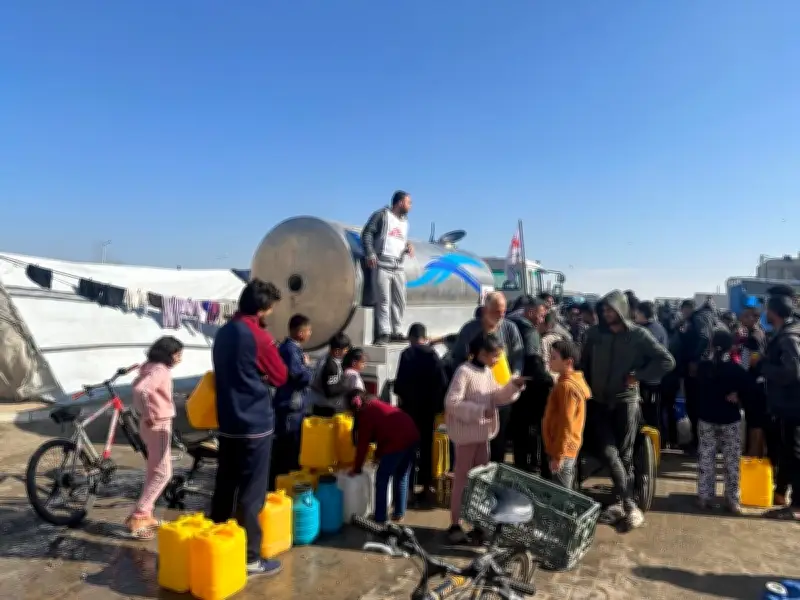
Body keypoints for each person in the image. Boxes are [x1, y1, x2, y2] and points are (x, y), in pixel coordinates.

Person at [211, 279, 288, 576]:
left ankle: (217, 541)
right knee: (252, 492)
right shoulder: (258, 336)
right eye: (270, 309)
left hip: (227, 420)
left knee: (225, 485)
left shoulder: (224, 332)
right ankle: (251, 557)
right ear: (262, 309)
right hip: (254, 423)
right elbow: (280, 376)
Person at [581, 290, 675, 530]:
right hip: (598, 403)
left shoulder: (638, 335)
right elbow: (583, 365)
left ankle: (621, 502)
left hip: (626, 402)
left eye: (611, 310)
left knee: (624, 455)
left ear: (621, 310)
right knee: (608, 451)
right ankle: (626, 500)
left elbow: (667, 361)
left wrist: (638, 376)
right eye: (604, 310)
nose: (606, 314)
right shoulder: (594, 334)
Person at [445, 332, 527, 543]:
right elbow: (452, 403)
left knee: (481, 482)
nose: (498, 359)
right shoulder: (464, 372)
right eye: (495, 355)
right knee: (462, 481)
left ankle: (478, 524)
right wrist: (480, 411)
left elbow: (497, 396)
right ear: (482, 353)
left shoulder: (487, 372)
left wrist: (513, 386)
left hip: (482, 436)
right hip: (465, 437)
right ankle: (455, 524)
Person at [449, 292, 524, 464]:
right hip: (476, 397)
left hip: (502, 395)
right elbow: (457, 358)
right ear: (485, 310)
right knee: (475, 444)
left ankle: (494, 477)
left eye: (503, 311)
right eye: (497, 311)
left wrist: (516, 374)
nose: (501, 316)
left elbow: (519, 357)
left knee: (498, 443)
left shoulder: (510, 328)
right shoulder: (470, 329)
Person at [126, 336, 184, 539]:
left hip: (152, 423)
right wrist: (150, 414)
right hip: (158, 424)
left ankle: (146, 514)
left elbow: (139, 387)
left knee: (154, 471)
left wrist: (146, 412)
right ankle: (139, 515)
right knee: (163, 473)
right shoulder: (160, 370)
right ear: (168, 354)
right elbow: (141, 390)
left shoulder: (150, 366)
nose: (179, 358)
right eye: (178, 354)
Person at [695, 329, 751, 513]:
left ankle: (705, 497)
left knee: (706, 458)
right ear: (731, 346)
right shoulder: (736, 370)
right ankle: (732, 500)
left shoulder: (703, 367)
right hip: (730, 420)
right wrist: (738, 395)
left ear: (711, 344)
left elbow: (694, 390)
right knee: (731, 461)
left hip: (706, 418)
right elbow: (751, 391)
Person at [393, 323, 448, 506]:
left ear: (410, 338)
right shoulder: (433, 355)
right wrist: (438, 407)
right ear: (425, 337)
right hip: (428, 412)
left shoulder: (406, 355)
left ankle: (406, 490)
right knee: (426, 450)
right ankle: (426, 488)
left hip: (409, 411)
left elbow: (398, 385)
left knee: (408, 450)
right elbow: (442, 383)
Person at [348, 390, 420, 524]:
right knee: (402, 475)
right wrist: (378, 455)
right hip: (412, 434)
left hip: (398, 441)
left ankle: (380, 517)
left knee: (382, 478)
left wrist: (356, 469)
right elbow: (385, 432)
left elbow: (362, 446)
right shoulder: (377, 404)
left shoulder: (366, 414)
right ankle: (399, 513)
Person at [761, 289, 800, 521]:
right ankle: (782, 494)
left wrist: (765, 366)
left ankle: (797, 506)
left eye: (767, 309)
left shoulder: (788, 337)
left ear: (774, 312)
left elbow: (792, 371)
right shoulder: (792, 331)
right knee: (788, 450)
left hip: (794, 405)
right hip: (790, 405)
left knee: (795, 453)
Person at [506, 297, 553, 473]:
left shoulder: (507, 324)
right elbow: (534, 361)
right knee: (530, 430)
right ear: (531, 312)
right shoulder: (529, 331)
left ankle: (518, 468)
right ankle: (530, 468)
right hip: (528, 388)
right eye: (541, 315)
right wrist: (548, 380)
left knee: (516, 433)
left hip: (507, 385)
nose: (542, 320)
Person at [361, 190, 414, 345]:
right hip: (382, 263)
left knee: (400, 300)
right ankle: (384, 332)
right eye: (408, 202)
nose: (410, 206)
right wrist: (370, 253)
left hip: (398, 265)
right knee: (383, 300)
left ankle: (396, 330)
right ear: (399, 202)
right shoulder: (382, 216)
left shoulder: (405, 222)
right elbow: (367, 233)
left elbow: (399, 240)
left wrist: (407, 246)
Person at [271, 314, 314, 491]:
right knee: (288, 448)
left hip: (292, 405)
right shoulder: (290, 350)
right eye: (309, 330)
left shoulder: (292, 349)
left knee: (290, 446)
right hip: (290, 405)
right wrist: (308, 368)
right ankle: (282, 485)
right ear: (300, 332)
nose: (310, 334)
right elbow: (299, 376)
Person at [542, 339, 590, 489]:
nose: (550, 361)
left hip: (563, 450)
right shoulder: (568, 383)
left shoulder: (566, 387)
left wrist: (558, 455)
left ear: (568, 362)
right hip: (564, 448)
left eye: (554, 358)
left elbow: (566, 424)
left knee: (561, 497)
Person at [634, 300, 671, 429]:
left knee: (651, 415)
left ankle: (653, 444)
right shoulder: (658, 327)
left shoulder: (649, 331)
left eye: (637, 312)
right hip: (654, 378)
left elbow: (647, 355)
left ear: (642, 313)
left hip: (650, 380)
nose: (635, 315)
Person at [739, 304, 769, 457]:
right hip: (758, 384)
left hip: (754, 385)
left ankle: (753, 453)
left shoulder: (753, 338)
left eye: (745, 316)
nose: (741, 318)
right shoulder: (761, 334)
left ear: (755, 318)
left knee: (755, 421)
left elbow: (752, 361)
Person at [308, 333, 351, 417]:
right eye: (345, 349)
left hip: (319, 404)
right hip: (325, 407)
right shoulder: (330, 365)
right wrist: (345, 384)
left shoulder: (326, 358)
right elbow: (330, 391)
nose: (347, 352)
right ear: (337, 351)